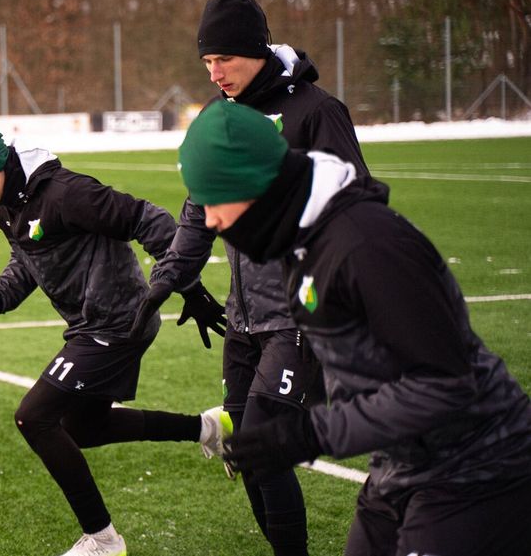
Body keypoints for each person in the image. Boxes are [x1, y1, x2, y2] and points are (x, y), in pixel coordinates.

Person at [179, 100, 531, 556]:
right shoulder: (300, 244)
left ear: (252, 181)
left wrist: (312, 433)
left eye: (213, 199)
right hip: (401, 464)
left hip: (478, 468)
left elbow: (446, 385)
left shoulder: (367, 244)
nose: (210, 220)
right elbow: (352, 365)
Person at [139, 0, 370, 556]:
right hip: (242, 321)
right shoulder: (220, 115)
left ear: (258, 50)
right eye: (207, 62)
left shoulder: (316, 112)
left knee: (266, 445)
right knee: (243, 449)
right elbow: (198, 211)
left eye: (225, 59)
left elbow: (356, 207)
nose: (215, 73)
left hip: (297, 316)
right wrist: (164, 282)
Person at [0, 117, 232, 556]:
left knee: (33, 418)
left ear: (0, 163)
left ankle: (103, 540)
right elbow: (26, 260)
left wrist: (187, 286)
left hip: (119, 321)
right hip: (90, 325)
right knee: (82, 427)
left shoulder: (66, 193)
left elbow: (147, 219)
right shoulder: (7, 203)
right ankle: (209, 428)